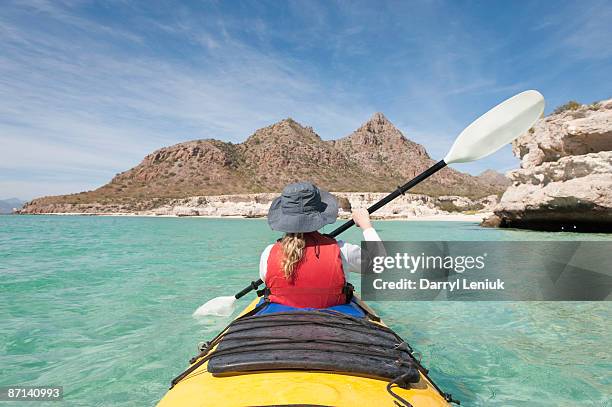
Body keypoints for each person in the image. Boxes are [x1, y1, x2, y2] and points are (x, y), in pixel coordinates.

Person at [259, 182, 381, 308]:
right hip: (332, 318)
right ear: (320, 214)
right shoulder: (342, 251)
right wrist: (366, 225)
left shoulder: (268, 253)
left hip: (281, 319)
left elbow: (267, 279)